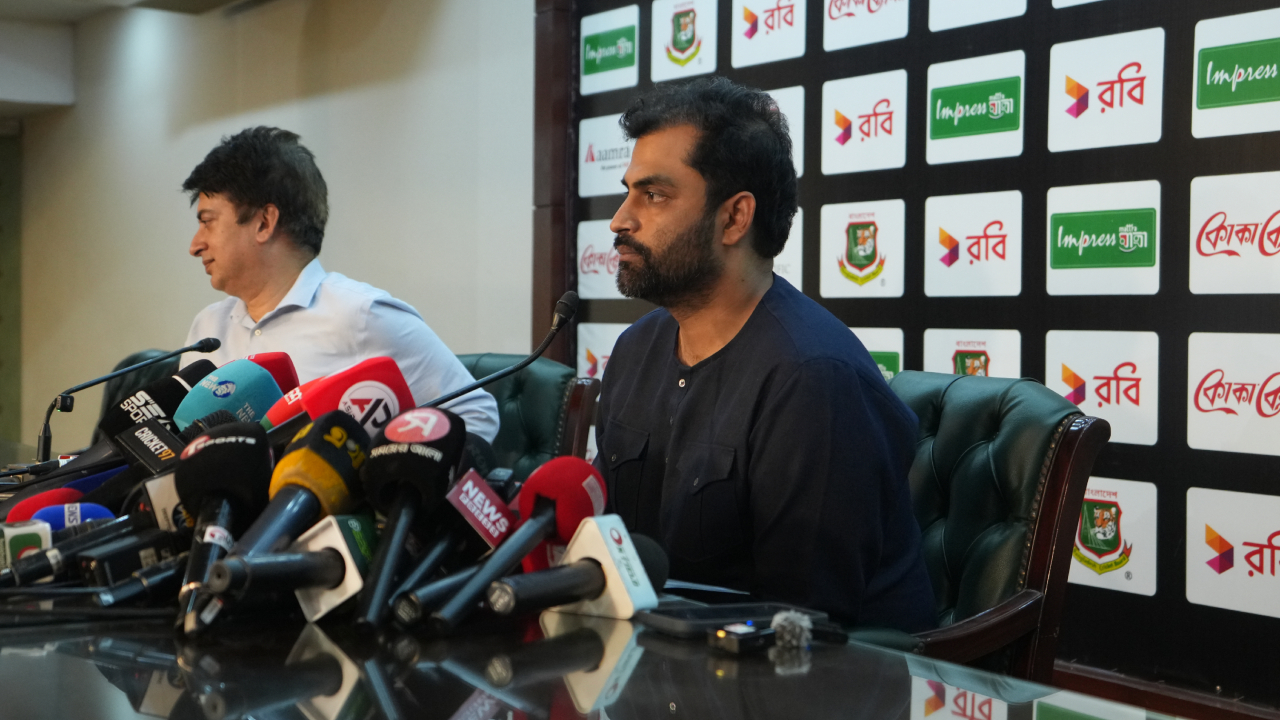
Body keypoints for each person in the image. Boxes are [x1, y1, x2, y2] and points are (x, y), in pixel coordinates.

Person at [593, 78, 934, 631]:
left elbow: (801, 625)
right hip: (661, 656)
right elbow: (609, 548)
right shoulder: (635, 350)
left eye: (653, 195)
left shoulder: (812, 378)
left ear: (734, 218)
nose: (620, 219)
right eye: (629, 191)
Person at [178, 127, 499, 442]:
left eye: (207, 222)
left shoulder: (363, 316)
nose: (195, 245)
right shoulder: (207, 331)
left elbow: (475, 413)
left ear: (264, 223)